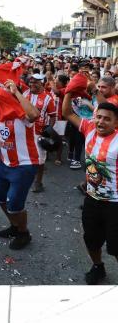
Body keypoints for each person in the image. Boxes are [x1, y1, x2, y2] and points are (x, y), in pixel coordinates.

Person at [60, 91, 118, 284]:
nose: (101, 122)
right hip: (92, 199)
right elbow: (67, 113)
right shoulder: (90, 129)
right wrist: (68, 92)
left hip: (115, 204)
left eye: (107, 119)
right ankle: (97, 266)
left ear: (116, 123)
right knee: (91, 239)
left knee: (116, 247)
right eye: (98, 117)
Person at [0, 80, 42, 250]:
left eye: (9, 92)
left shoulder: (21, 112)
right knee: (0, 198)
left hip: (24, 165)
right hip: (4, 164)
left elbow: (35, 115)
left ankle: (23, 233)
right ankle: (14, 226)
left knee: (14, 203)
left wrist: (16, 93)